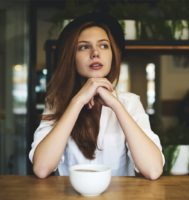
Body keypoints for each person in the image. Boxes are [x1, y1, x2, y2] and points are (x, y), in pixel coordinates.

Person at [29, 12, 164, 180]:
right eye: (84, 47)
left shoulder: (129, 102)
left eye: (104, 45)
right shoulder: (56, 102)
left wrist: (116, 105)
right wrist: (78, 101)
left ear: (113, 54)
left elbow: (153, 170)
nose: (95, 53)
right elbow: (41, 168)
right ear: (72, 58)